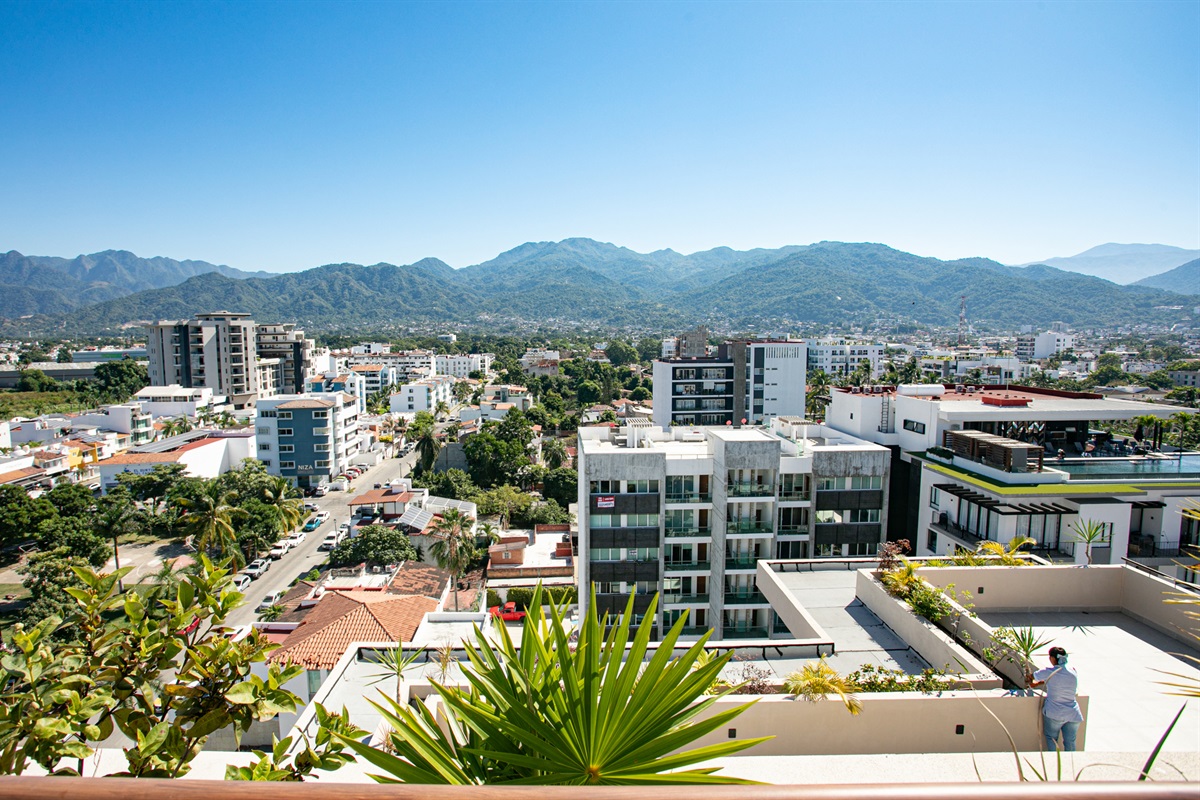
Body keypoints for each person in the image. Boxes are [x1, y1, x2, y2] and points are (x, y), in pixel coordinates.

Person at [1027, 646, 1083, 751]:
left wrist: (1032, 682)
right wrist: (1039, 683)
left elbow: (1031, 676)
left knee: (1051, 738)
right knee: (1070, 742)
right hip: (1073, 713)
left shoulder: (1048, 672)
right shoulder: (1073, 671)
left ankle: (1054, 763)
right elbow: (1059, 680)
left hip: (1055, 713)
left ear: (1053, 659)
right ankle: (1072, 765)